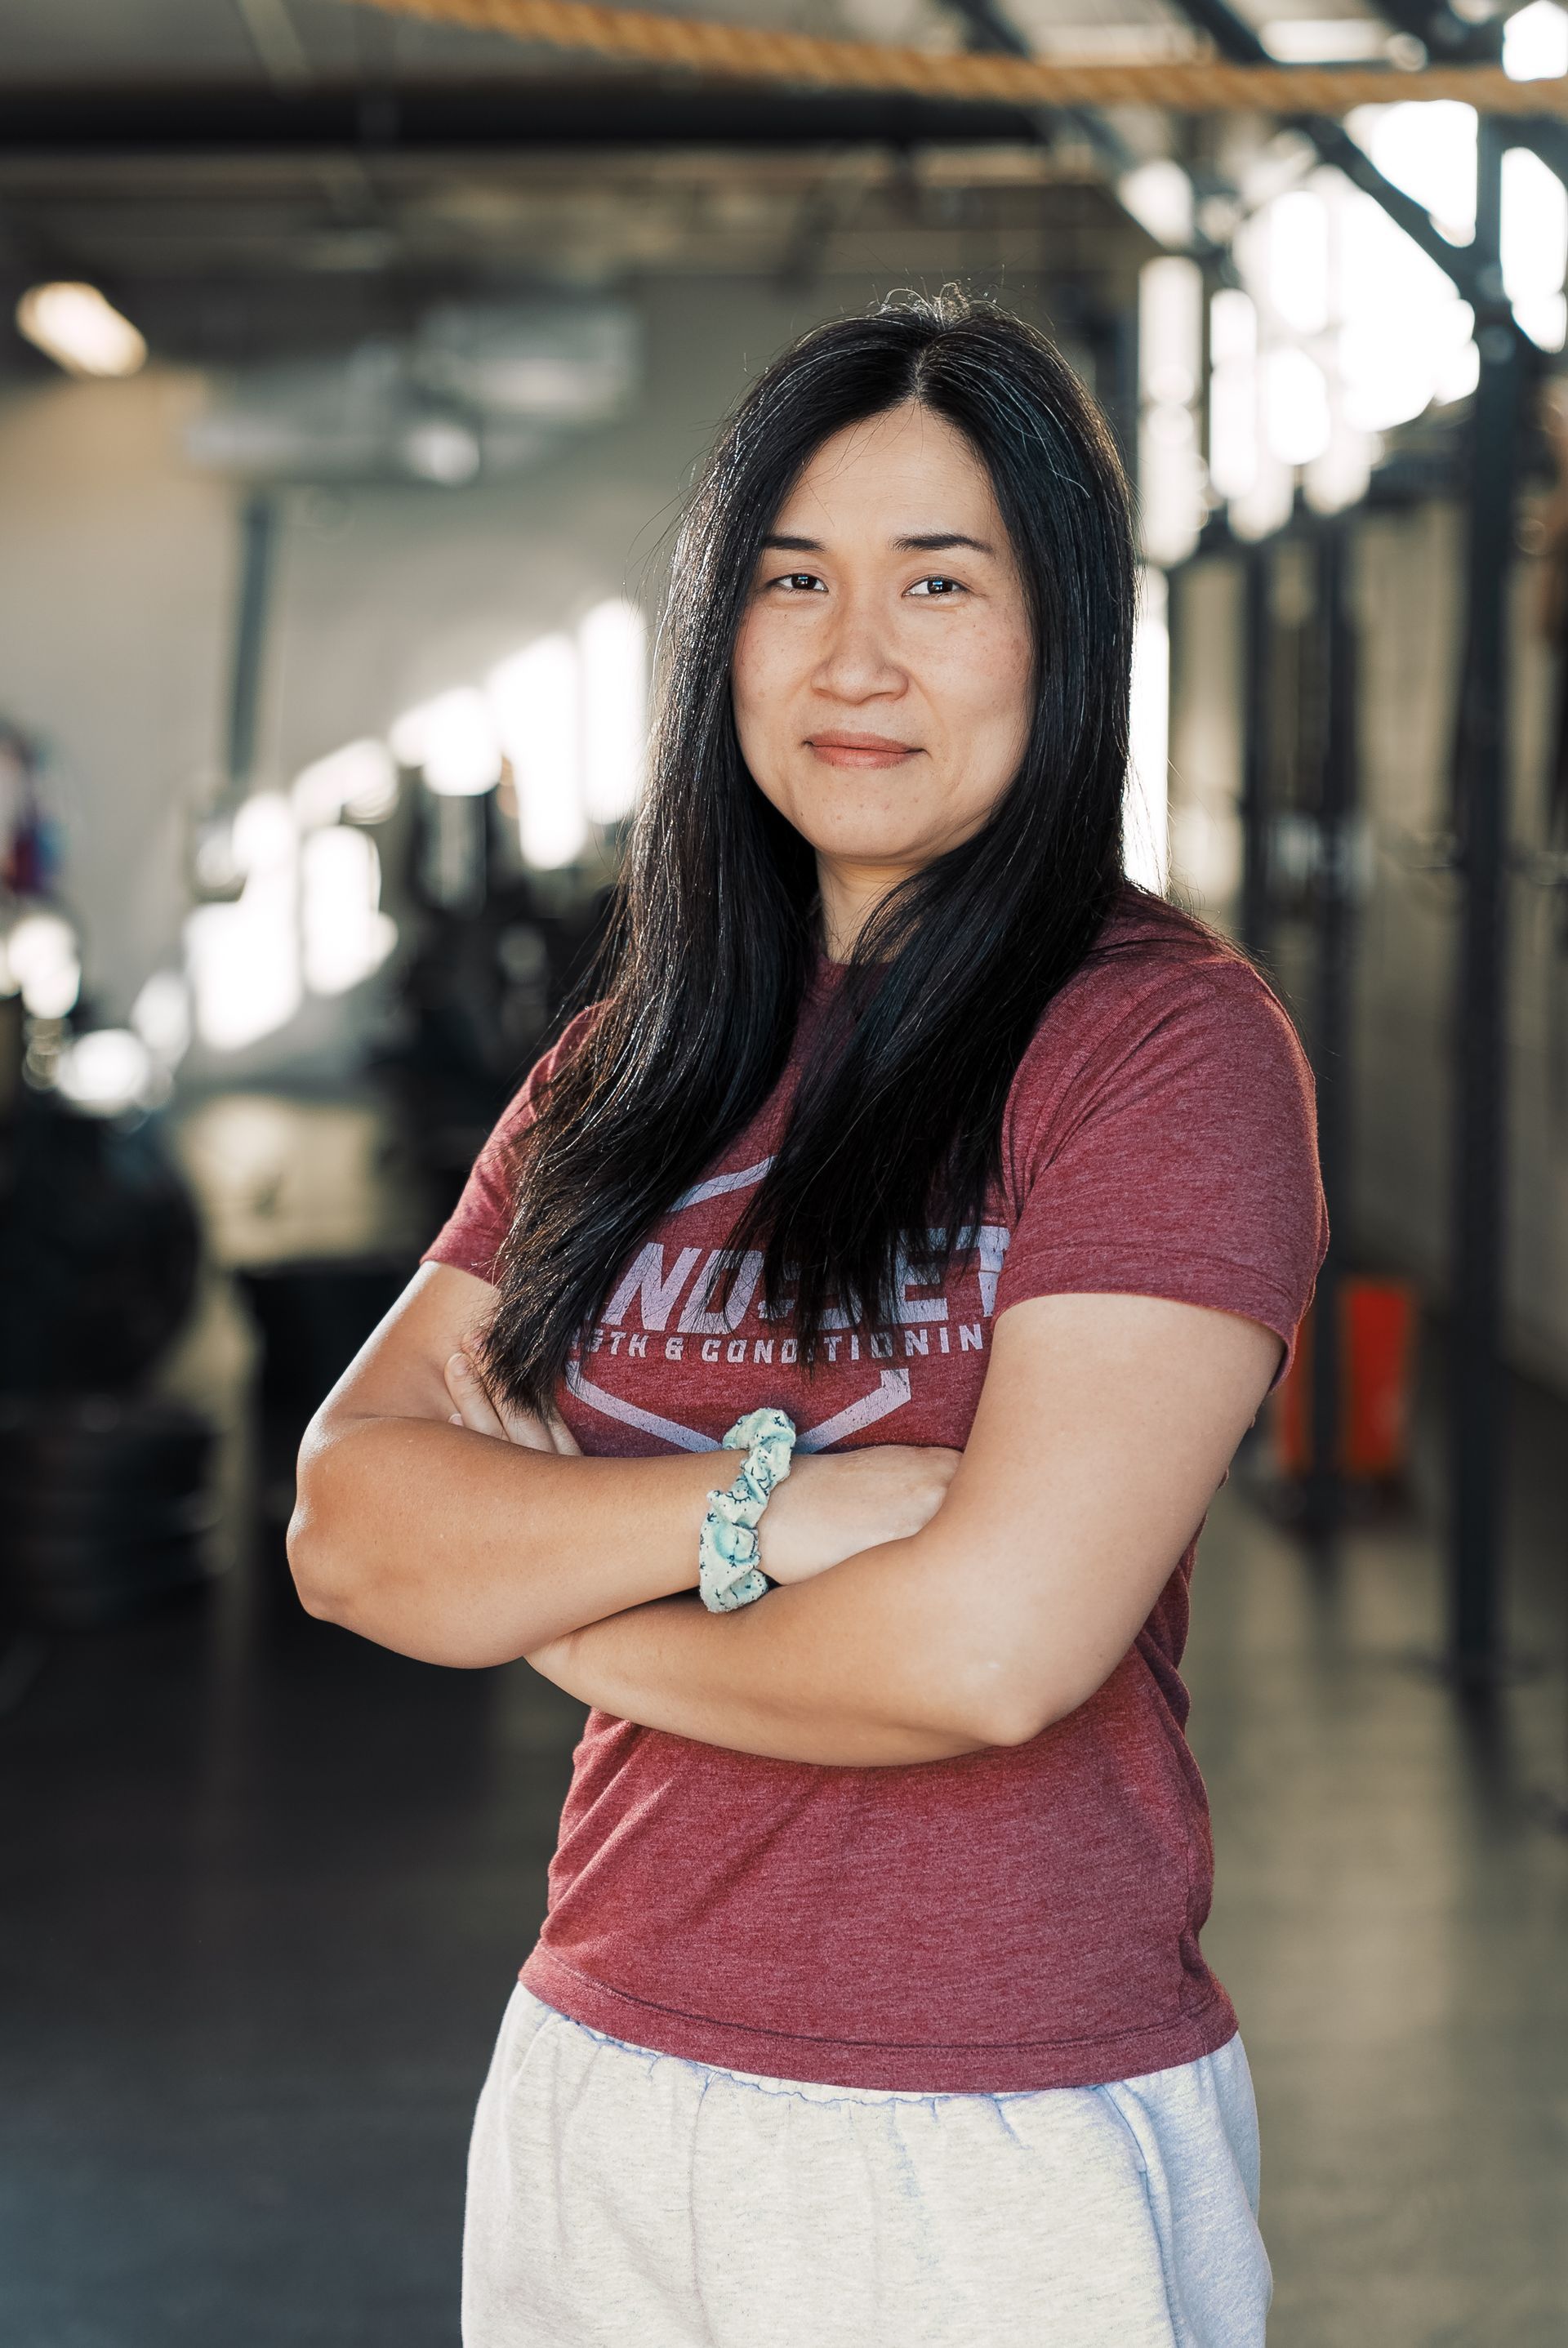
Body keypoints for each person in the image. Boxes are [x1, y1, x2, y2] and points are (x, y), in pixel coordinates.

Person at [288, 292, 1329, 2346]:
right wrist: (774, 1511)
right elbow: (348, 1526)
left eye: (939, 583)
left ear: (1062, 636)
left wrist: (551, 1607)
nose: (856, 658)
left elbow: (986, 1651)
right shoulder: (628, 1065)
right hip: (599, 2070)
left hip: (985, 2127)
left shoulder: (1155, 1051)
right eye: (791, 583)